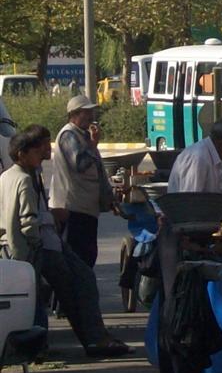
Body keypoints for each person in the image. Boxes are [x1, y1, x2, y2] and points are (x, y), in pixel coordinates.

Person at [2, 125, 130, 357]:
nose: (44, 151)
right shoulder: (22, 179)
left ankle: (92, 339)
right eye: (38, 148)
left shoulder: (18, 176)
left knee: (77, 284)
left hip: (46, 243)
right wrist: (35, 249)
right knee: (76, 288)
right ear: (22, 153)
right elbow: (27, 222)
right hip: (41, 247)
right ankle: (93, 341)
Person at [49, 95, 115, 268]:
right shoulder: (68, 135)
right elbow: (80, 164)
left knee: (88, 255)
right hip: (73, 208)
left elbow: (98, 171)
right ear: (75, 114)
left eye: (91, 112)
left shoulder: (82, 135)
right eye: (86, 113)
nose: (91, 117)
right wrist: (93, 144)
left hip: (87, 208)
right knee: (79, 258)